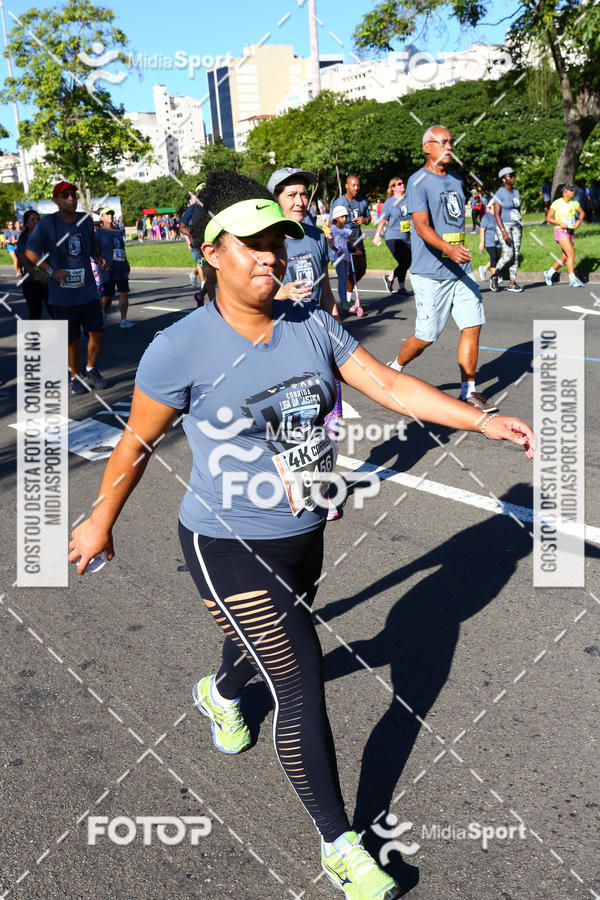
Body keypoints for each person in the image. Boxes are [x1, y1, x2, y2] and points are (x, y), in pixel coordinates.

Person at [69, 170, 534, 900]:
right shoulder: (178, 348)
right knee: (298, 677)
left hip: (305, 530)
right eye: (250, 245)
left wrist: (479, 419)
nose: (269, 257)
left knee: (260, 643)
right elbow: (134, 444)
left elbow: (387, 385)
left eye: (277, 244)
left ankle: (220, 693)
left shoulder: (310, 324)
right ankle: (338, 842)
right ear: (212, 253)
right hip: (224, 540)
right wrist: (101, 517)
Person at [387, 125, 497, 413]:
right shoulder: (417, 181)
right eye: (443, 142)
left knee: (473, 325)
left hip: (460, 269)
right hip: (431, 272)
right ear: (427, 147)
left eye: (451, 142)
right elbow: (421, 227)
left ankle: (468, 391)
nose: (449, 146)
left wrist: (457, 251)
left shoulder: (456, 179)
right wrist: (448, 249)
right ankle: (395, 368)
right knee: (426, 337)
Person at [268, 167, 343, 520]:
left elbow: (325, 290)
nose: (300, 201)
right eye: (291, 195)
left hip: (317, 334)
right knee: (295, 422)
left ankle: (318, 489)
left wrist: (336, 331)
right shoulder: (266, 238)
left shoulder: (316, 236)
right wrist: (278, 292)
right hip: (279, 338)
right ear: (276, 199)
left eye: (303, 194)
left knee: (319, 421)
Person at [26, 180, 108, 395]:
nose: (71, 198)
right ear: (56, 200)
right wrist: (51, 271)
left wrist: (97, 256)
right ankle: (74, 375)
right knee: (71, 339)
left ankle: (90, 367)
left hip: (88, 290)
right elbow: (31, 253)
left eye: (73, 194)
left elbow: (91, 244)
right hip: (62, 296)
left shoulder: (85, 220)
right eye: (66, 196)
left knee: (97, 334)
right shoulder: (47, 224)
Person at [330, 175, 370, 291]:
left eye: (358, 185)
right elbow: (331, 224)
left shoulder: (362, 201)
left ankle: (348, 291)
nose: (356, 188)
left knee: (361, 270)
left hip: (358, 242)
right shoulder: (339, 202)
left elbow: (369, 219)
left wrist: (364, 220)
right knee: (348, 271)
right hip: (344, 244)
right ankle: (347, 299)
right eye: (353, 185)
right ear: (347, 186)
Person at [96, 207, 134, 327]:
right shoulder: (99, 232)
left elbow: (121, 248)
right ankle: (102, 316)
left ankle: (123, 320)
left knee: (124, 292)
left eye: (112, 214)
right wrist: (100, 261)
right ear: (102, 217)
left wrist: (126, 262)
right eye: (107, 214)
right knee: (108, 296)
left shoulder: (117, 231)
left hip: (120, 266)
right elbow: (94, 250)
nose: (110, 216)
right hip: (107, 268)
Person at [374, 176, 411, 296]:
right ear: (393, 188)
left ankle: (398, 285)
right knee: (404, 261)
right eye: (399, 184)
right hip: (393, 237)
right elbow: (383, 220)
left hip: (406, 237)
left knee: (406, 262)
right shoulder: (389, 203)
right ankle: (393, 280)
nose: (402, 185)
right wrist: (377, 235)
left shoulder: (407, 200)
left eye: (402, 183)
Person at [543, 183, 585, 288]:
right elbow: (548, 218)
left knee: (565, 257)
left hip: (570, 231)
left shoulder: (574, 203)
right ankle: (572, 280)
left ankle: (549, 273)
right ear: (565, 192)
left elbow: (582, 213)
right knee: (571, 253)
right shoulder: (557, 203)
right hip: (560, 231)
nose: (574, 191)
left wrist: (578, 222)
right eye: (571, 190)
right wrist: (559, 223)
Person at [490, 167, 523, 292]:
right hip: (504, 226)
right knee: (508, 254)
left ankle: (512, 283)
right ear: (504, 178)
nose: (513, 177)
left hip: (517, 226)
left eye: (514, 175)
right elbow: (496, 214)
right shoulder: (500, 193)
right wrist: (503, 231)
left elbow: (517, 210)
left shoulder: (516, 192)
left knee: (516, 255)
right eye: (511, 175)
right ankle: (494, 276)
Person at [15, 210, 52, 319]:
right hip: (32, 282)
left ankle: (64, 336)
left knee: (54, 311)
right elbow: (23, 261)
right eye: (32, 220)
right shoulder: (23, 238)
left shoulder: (47, 237)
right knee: (35, 313)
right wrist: (39, 275)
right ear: (26, 224)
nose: (36, 222)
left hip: (49, 280)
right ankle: (32, 336)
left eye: (38, 219)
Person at [328, 206, 355, 312]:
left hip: (347, 257)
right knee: (342, 279)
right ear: (336, 218)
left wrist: (355, 249)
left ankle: (345, 302)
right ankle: (344, 302)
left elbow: (351, 243)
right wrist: (337, 252)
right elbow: (330, 244)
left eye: (345, 217)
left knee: (346, 278)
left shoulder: (347, 228)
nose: (344, 219)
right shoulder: (333, 229)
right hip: (338, 257)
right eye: (342, 217)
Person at [477, 207, 502, 289]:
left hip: (498, 241)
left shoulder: (499, 215)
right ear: (491, 206)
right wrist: (482, 243)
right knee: (493, 257)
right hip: (489, 241)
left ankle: (484, 268)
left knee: (498, 259)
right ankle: (495, 278)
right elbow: (482, 230)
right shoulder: (486, 217)